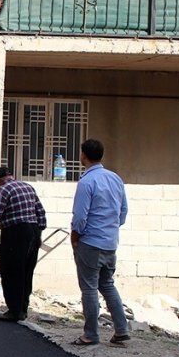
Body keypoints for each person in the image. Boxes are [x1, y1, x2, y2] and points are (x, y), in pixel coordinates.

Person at [70, 139, 131, 346]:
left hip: (90, 242)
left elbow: (80, 216)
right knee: (107, 285)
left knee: (89, 288)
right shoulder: (115, 179)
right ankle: (122, 329)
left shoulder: (87, 182)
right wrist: (110, 229)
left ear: (83, 156)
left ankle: (91, 334)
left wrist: (76, 237)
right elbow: (122, 213)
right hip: (110, 242)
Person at [0, 166, 46, 322]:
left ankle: (14, 311)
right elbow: (41, 213)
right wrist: (38, 233)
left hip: (15, 233)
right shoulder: (28, 187)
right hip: (33, 231)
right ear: (11, 175)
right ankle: (23, 309)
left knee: (11, 271)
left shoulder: (3, 190)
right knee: (26, 272)